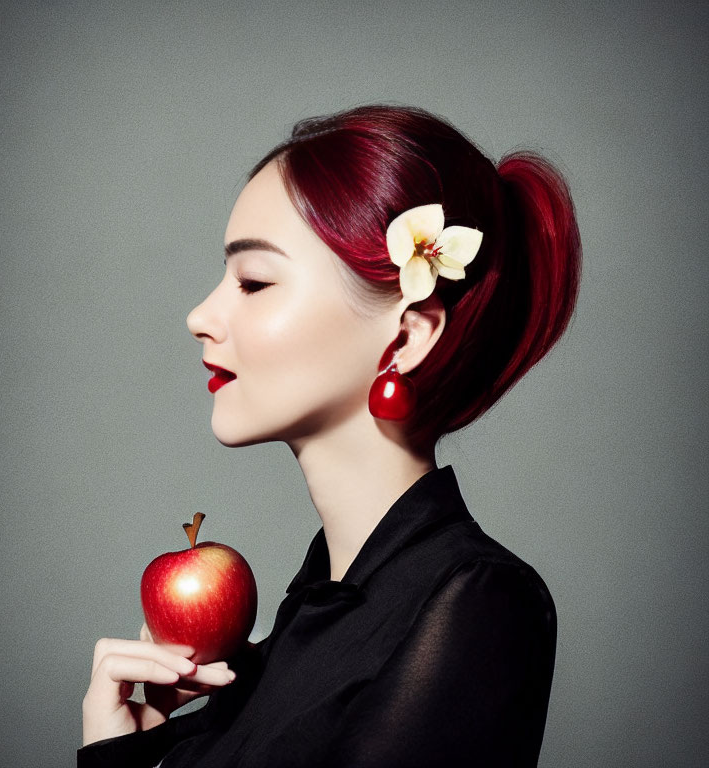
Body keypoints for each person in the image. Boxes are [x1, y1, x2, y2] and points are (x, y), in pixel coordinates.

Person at [78, 104, 581, 767]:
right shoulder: (300, 617)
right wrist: (124, 750)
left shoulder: (475, 605)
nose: (200, 315)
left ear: (403, 336)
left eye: (254, 281)